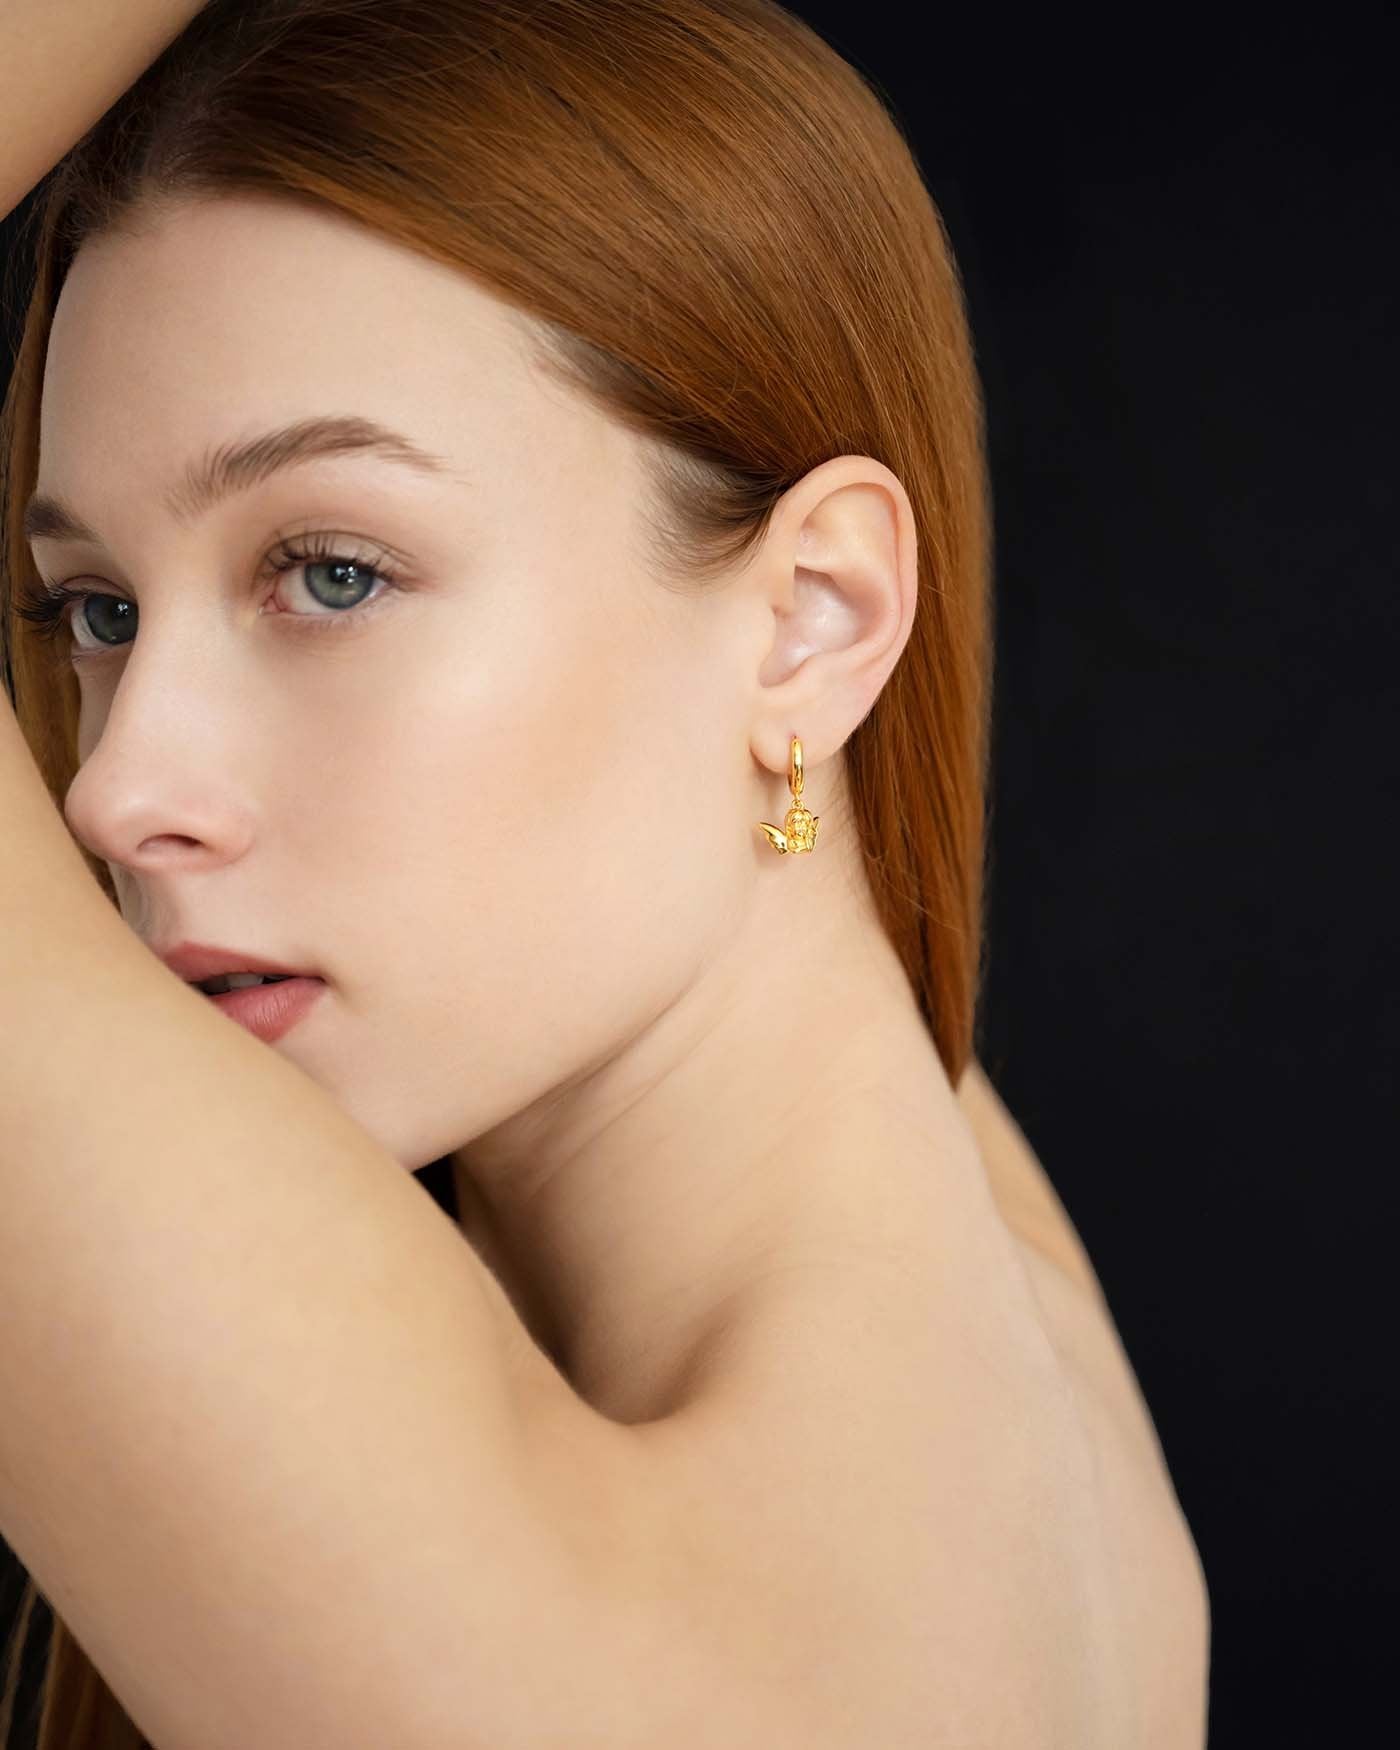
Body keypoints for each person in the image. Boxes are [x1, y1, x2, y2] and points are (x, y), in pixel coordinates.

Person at [0, 2, 1209, 1744]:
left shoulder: (561, 1625)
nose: (116, 789)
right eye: (97, 610)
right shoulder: (1021, 1379)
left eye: (332, 574)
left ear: (813, 618)